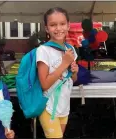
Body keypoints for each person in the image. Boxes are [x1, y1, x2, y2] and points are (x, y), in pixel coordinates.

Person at [36, 7, 79, 138]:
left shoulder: (70, 49)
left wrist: (74, 71)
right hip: (48, 107)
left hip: (64, 106)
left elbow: (73, 80)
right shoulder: (43, 50)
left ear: (68, 25)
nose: (58, 28)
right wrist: (64, 63)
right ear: (47, 28)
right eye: (53, 25)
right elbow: (44, 84)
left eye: (62, 24)